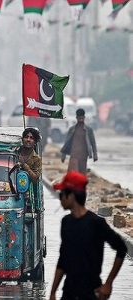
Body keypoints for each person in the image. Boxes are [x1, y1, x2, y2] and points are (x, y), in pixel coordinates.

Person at [50, 171, 127, 300]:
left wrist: (108, 283)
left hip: (91, 293)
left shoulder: (96, 223)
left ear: (71, 196)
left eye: (61, 194)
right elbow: (63, 260)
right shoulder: (66, 222)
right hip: (68, 292)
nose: (61, 198)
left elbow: (121, 248)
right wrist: (53, 292)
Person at [60, 108, 97, 174]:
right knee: (73, 173)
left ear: (84, 117)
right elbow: (67, 143)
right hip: (74, 155)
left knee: (82, 173)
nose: (81, 119)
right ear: (76, 118)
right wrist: (63, 155)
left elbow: (93, 143)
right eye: (79, 118)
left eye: (82, 117)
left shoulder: (89, 130)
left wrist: (95, 155)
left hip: (83, 156)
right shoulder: (72, 129)